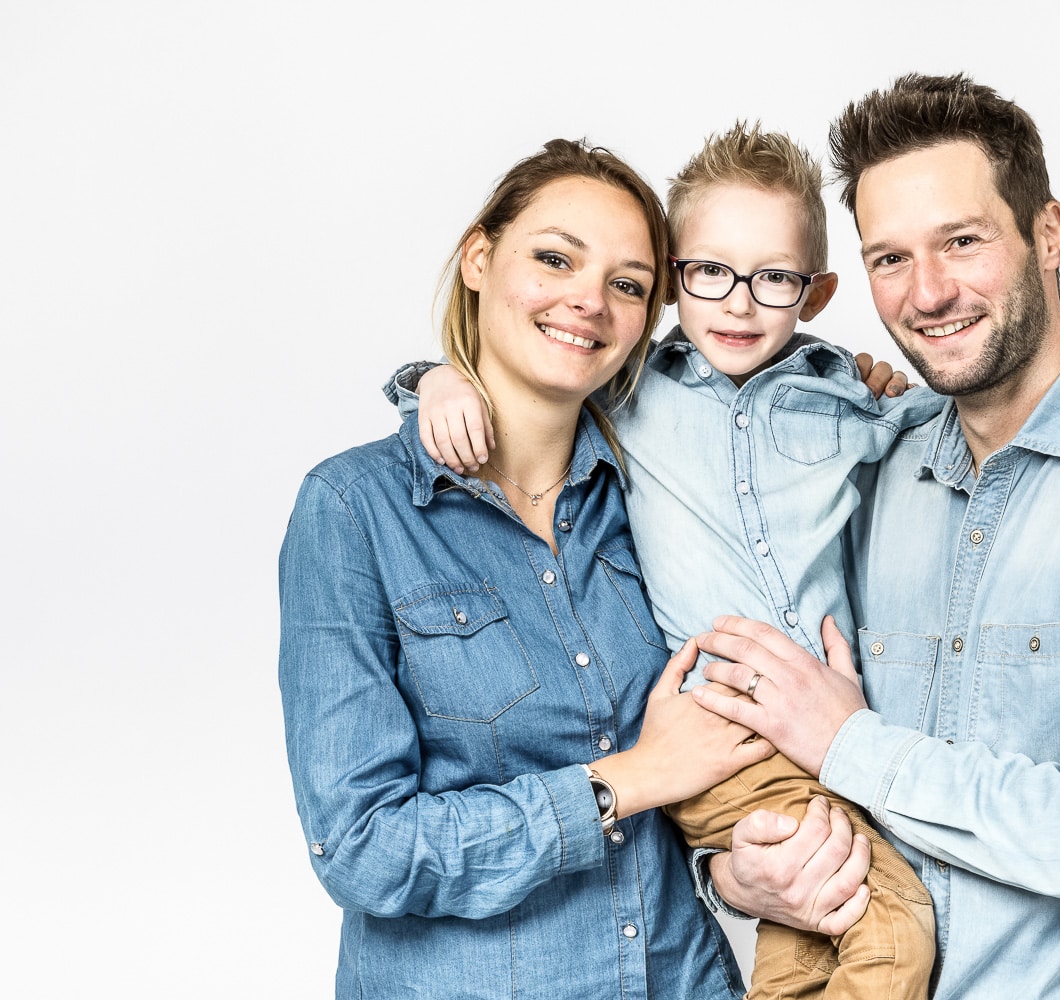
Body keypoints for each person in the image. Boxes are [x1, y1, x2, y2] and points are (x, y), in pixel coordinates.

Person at [398, 123, 1060, 999]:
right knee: (895, 933)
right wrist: (435, 380)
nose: (739, 304)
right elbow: (536, 367)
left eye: (773, 278)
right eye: (710, 272)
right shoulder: (632, 393)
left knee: (807, 938)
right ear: (673, 281)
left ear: (815, 292)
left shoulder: (846, 397)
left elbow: (972, 408)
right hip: (722, 735)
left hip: (835, 735)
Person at [690, 74, 1060, 999]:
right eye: (889, 258)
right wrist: (736, 877)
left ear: (1048, 233)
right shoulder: (861, 466)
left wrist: (849, 742)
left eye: (961, 241)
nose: (927, 293)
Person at [277, 139, 779, 1000]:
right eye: (554, 258)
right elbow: (363, 849)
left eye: (628, 284)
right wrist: (629, 779)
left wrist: (734, 869)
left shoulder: (656, 500)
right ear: (479, 257)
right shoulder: (355, 510)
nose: (589, 301)